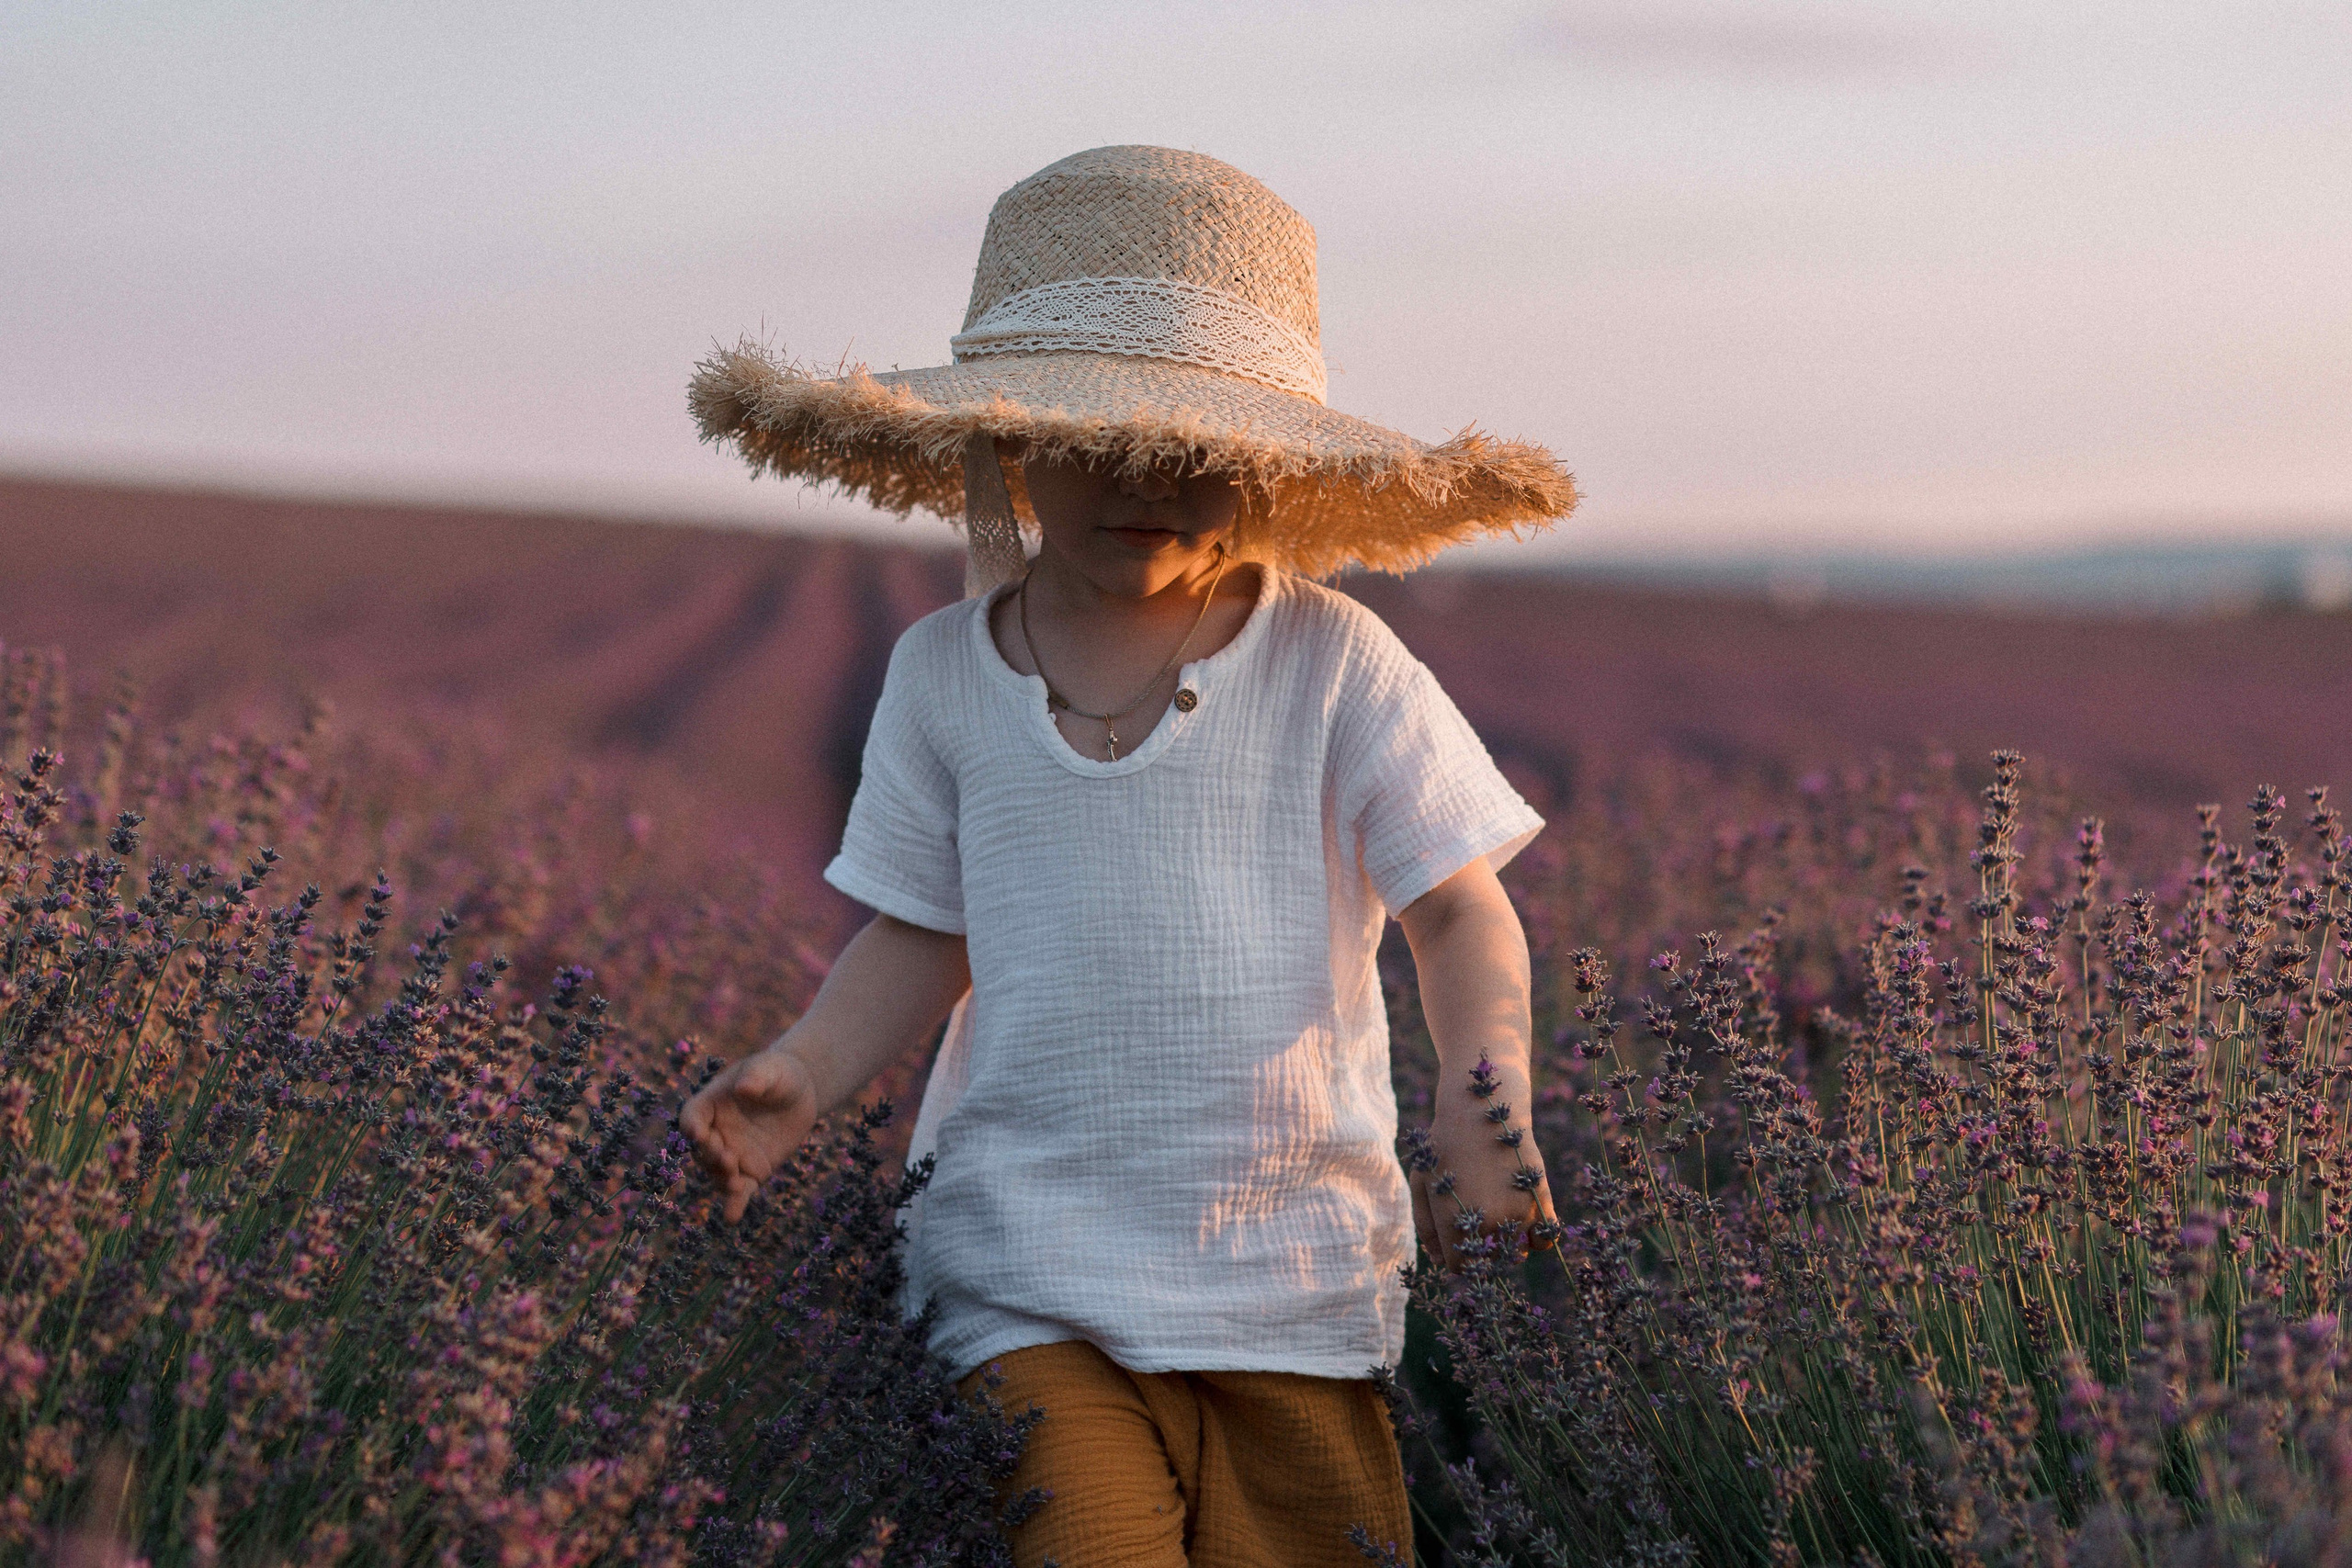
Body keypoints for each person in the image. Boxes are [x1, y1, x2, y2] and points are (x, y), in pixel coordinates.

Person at [681, 145, 1577, 1568]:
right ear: (1012, 441)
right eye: (1099, 436)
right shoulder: (940, 677)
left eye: (1199, 449)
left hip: (1291, 1282)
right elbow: (923, 930)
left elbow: (1459, 911)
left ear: (1272, 466)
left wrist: (1487, 1103)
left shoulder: (1336, 664)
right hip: (1022, 1274)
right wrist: (806, 1073)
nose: (1148, 478)